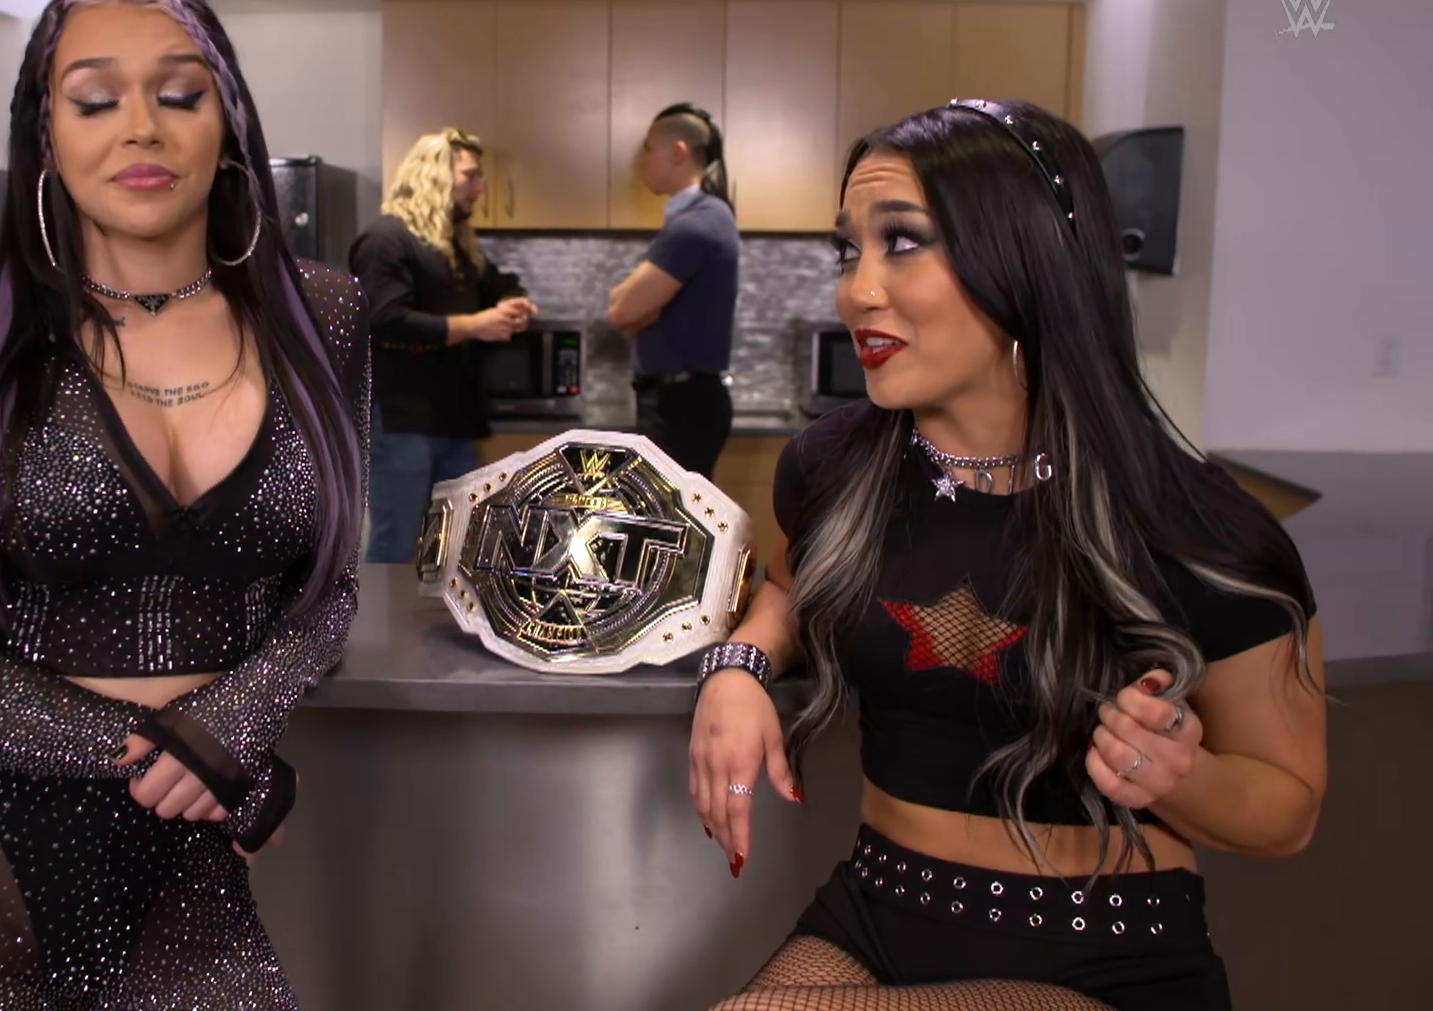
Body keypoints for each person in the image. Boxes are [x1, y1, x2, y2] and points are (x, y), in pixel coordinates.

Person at [688, 100, 1324, 1011]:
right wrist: (739, 668)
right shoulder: (833, 468)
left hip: (1104, 957)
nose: (857, 291)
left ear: (1026, 258)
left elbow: (1288, 811)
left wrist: (1184, 776)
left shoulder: (1197, 526)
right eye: (848, 251)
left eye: (902, 243)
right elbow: (789, 591)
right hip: (875, 913)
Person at [0, 0, 368, 1010]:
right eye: (93, 99)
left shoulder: (326, 319)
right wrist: (180, 757)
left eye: (178, 93)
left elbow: (330, 591)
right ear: (45, 134)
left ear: (229, 125)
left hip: (183, 863)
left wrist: (235, 725)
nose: (141, 127)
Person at [351, 128, 536, 564]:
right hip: (401, 421)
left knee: (456, 549)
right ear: (434, 174)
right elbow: (384, 320)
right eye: (471, 176)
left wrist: (513, 304)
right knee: (398, 547)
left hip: (454, 420)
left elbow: (500, 285)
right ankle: (383, 615)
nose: (480, 188)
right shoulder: (386, 240)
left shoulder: (456, 246)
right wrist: (476, 325)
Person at [605, 103, 742, 478]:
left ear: (679, 152)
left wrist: (640, 311)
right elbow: (627, 306)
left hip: (681, 406)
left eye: (649, 149)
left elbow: (620, 311)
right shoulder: (705, 217)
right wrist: (641, 309)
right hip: (684, 402)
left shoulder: (696, 225)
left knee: (671, 514)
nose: (642, 161)